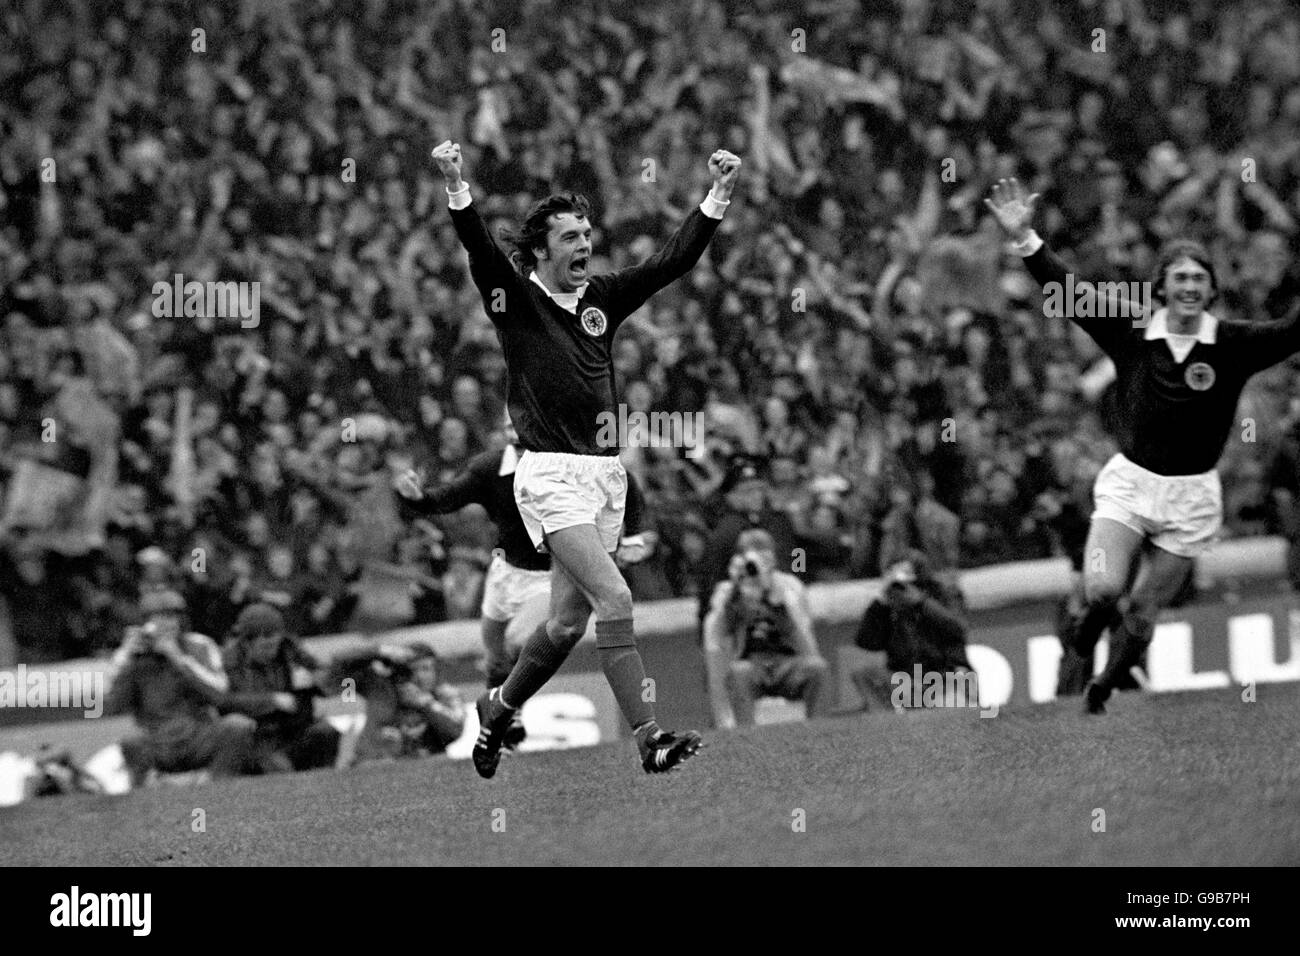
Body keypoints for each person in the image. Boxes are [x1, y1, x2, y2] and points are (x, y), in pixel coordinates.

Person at [431, 138, 740, 776]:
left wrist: (716, 197)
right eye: (570, 237)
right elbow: (479, 249)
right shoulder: (515, 301)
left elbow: (668, 264)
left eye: (586, 234)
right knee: (616, 599)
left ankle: (498, 707)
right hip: (549, 476)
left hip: (604, 475)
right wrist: (457, 183)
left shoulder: (601, 299)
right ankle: (649, 739)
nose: (584, 246)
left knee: (568, 624)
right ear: (541, 250)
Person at [986, 177, 1300, 714]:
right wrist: (1026, 240)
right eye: (1179, 277)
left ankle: (1103, 687)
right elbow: (1069, 291)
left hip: (1192, 497)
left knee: (1145, 608)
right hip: (1131, 485)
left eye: (1199, 279)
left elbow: (1292, 331)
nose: (1189, 287)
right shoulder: (1129, 329)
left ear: (1210, 290)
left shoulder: (1232, 345)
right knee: (1104, 589)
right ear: (1160, 287)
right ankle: (1085, 631)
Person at [394, 413, 658, 751]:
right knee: (493, 657)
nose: (518, 439)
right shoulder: (490, 468)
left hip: (547, 575)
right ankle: (501, 726)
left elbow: (626, 486)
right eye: (511, 430)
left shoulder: (568, 465)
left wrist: (636, 537)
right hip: (503, 571)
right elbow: (445, 498)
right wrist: (415, 498)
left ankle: (507, 710)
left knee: (518, 642)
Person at [105, 589, 256, 786]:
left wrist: (179, 659)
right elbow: (113, 706)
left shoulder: (199, 645)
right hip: (157, 738)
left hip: (199, 733)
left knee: (238, 726)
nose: (166, 625)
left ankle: (219, 786)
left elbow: (221, 695)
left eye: (171, 618)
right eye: (158, 620)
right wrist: (126, 659)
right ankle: (144, 795)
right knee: (130, 741)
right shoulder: (132, 655)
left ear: (181, 621)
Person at [702, 529, 828, 728]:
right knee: (740, 672)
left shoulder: (789, 586)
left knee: (817, 668)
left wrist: (772, 592)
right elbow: (716, 634)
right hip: (751, 663)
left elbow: (803, 636)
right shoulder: (728, 590)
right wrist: (736, 591)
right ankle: (745, 734)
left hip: (788, 662)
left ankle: (819, 729)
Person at [219, 602, 340, 772]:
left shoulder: (289, 649)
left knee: (327, 732)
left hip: (294, 727)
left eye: (275, 644)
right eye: (265, 647)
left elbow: (328, 676)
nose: (273, 651)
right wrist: (272, 700)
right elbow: (226, 701)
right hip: (260, 736)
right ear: (247, 643)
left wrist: (316, 680)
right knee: (280, 769)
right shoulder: (229, 661)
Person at [851, 552, 974, 711]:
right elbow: (866, 642)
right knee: (864, 673)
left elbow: (959, 628)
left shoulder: (944, 593)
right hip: (908, 681)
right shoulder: (889, 607)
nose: (903, 589)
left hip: (946, 676)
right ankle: (889, 725)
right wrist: (881, 603)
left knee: (951, 708)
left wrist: (922, 603)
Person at [329, 642, 466, 765]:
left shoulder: (446, 694)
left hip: (424, 764)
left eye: (426, 669)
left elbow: (455, 731)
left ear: (436, 671)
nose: (419, 676)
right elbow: (338, 664)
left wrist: (425, 704)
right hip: (373, 763)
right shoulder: (380, 687)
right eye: (413, 670)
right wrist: (380, 651)